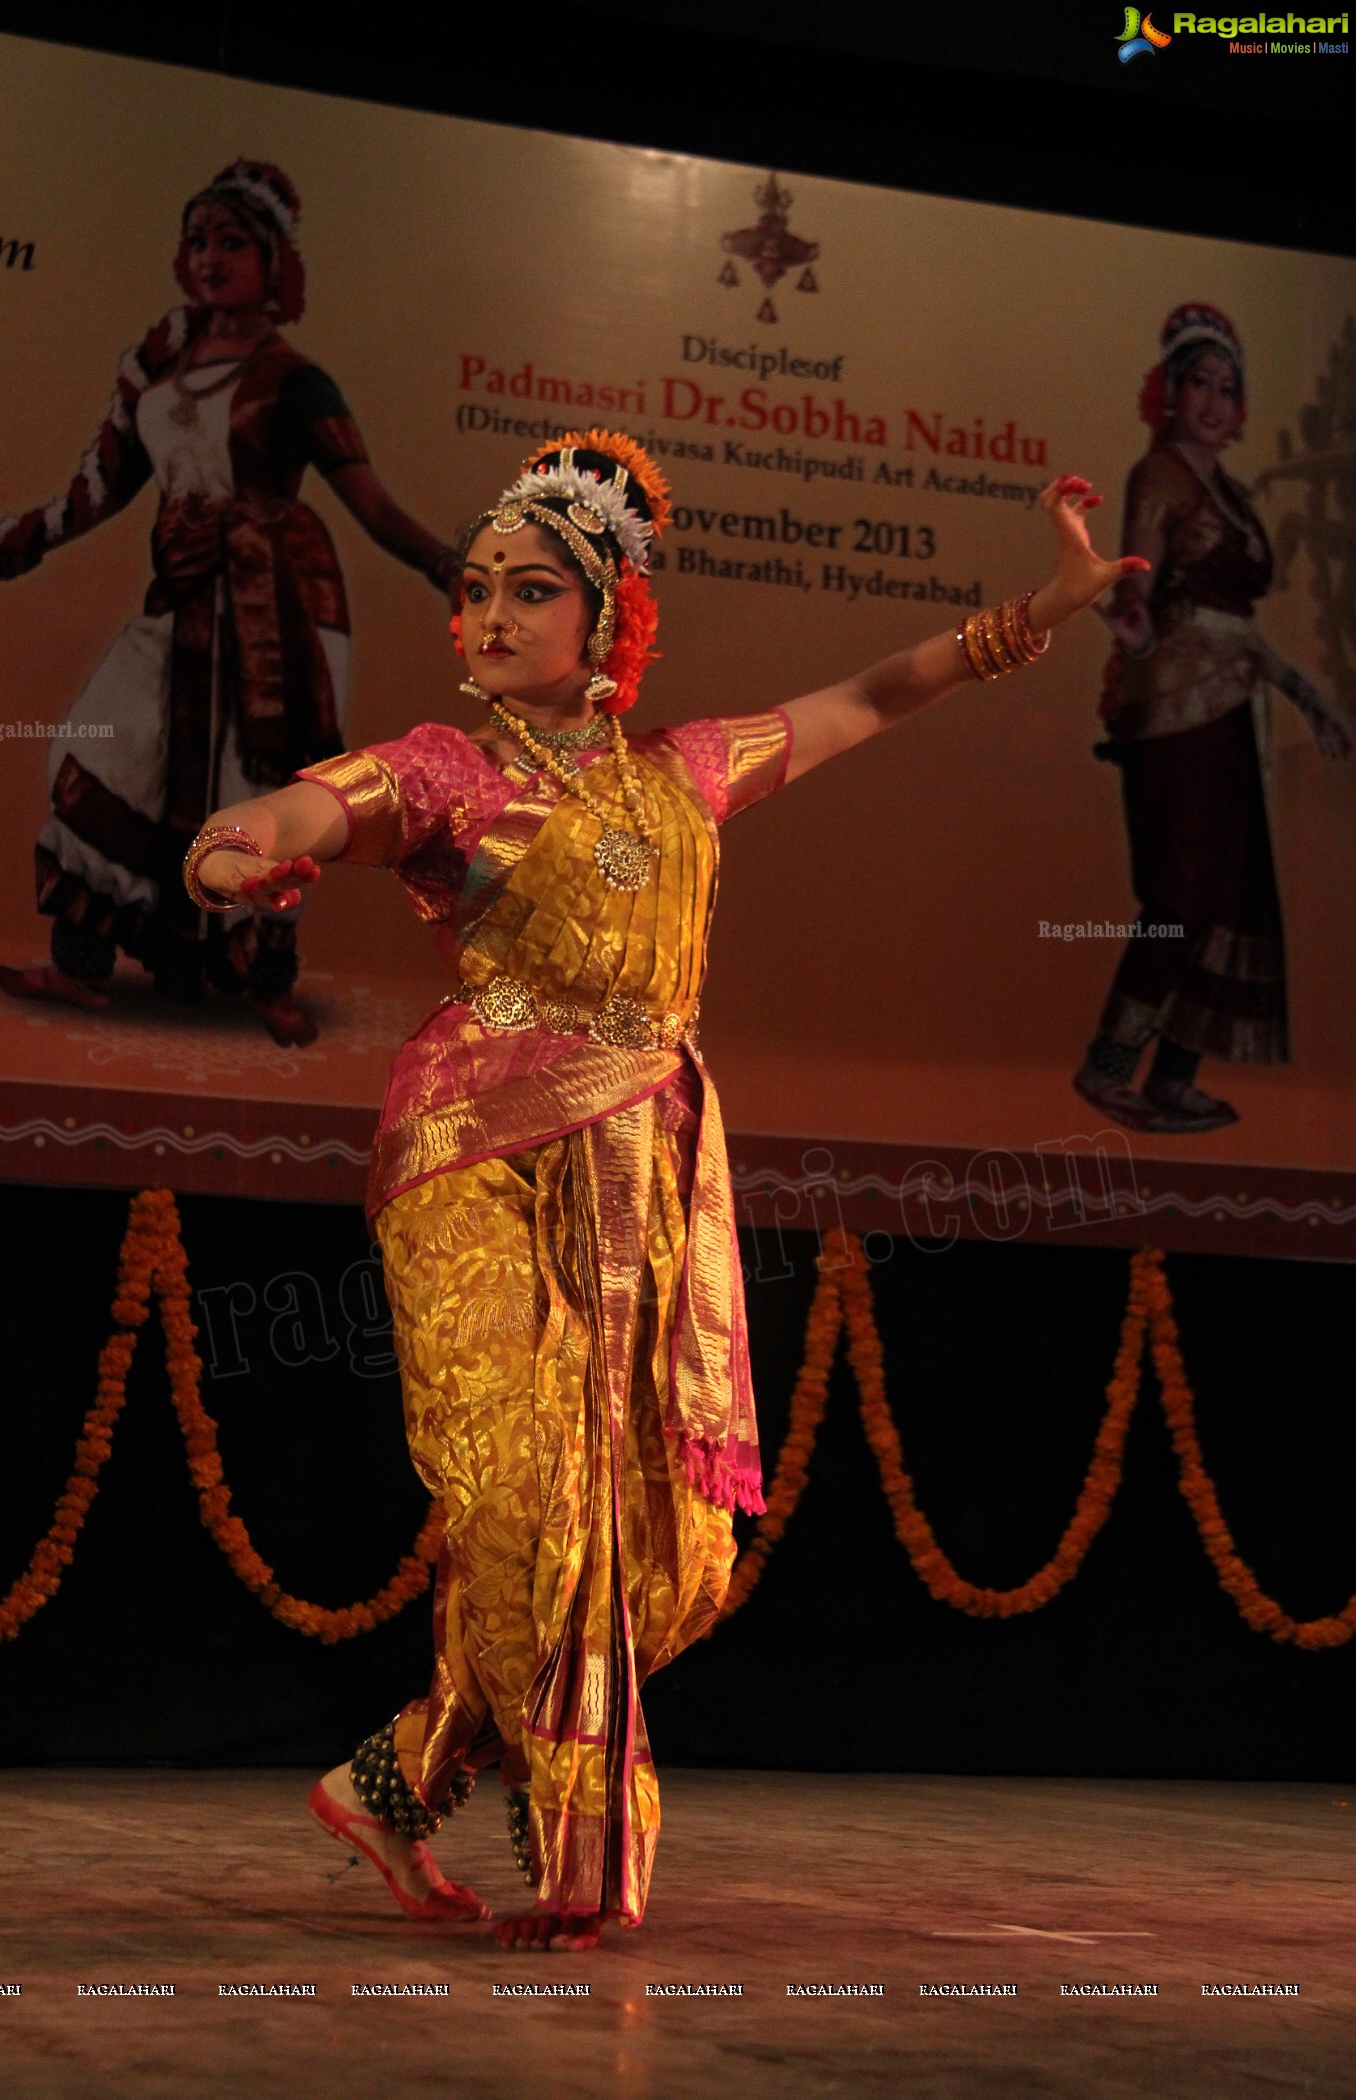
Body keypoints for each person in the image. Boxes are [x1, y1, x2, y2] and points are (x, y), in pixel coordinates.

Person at [184, 429, 1141, 1951]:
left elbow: (865, 702)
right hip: (474, 1160)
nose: (488, 614)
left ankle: (397, 1780)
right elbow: (330, 804)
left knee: (666, 1548)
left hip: (646, 1173)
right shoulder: (455, 770)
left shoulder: (688, 776)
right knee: (530, 1499)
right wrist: (252, 837)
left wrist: (1041, 611)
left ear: (610, 617)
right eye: (476, 589)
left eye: (532, 590)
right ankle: (581, 1863)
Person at [0, 160, 458, 1046]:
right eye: (197, 241)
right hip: (181, 597)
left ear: (274, 262)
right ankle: (80, 967)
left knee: (261, 793)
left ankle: (267, 981)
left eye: (233, 242)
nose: (210, 257)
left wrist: (450, 569)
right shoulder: (155, 365)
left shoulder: (299, 382)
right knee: (98, 749)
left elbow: (369, 502)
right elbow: (98, 493)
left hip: (273, 616)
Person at [1077, 304, 1351, 1133]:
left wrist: (1310, 697)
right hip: (1173, 715)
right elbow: (1140, 580)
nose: (1212, 400)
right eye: (1198, 382)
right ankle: (1111, 1065)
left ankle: (1172, 1078)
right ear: (1170, 392)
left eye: (1227, 389)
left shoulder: (1230, 492)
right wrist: (1130, 613)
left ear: (1240, 410)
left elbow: (1240, 629)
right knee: (1183, 895)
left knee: (1231, 897)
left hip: (1232, 713)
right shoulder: (1160, 475)